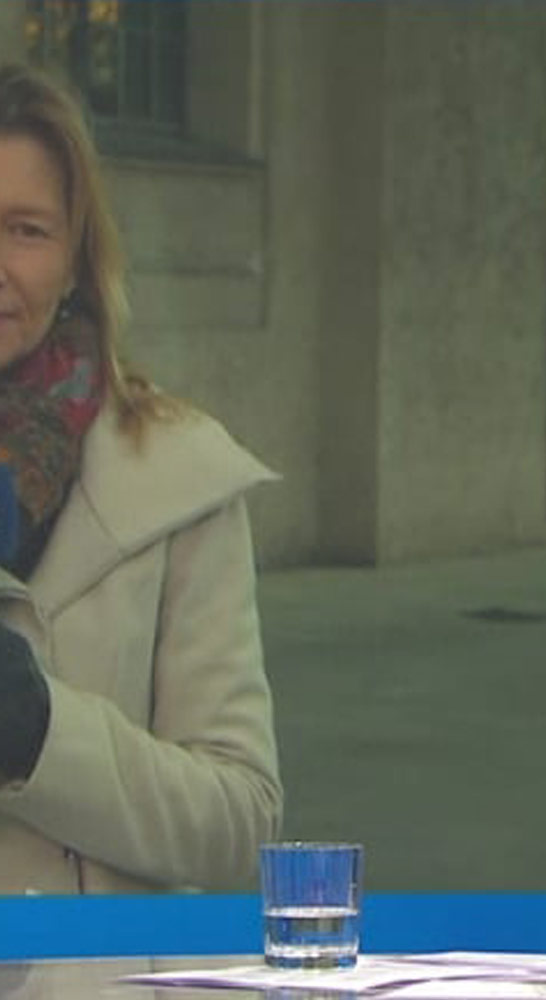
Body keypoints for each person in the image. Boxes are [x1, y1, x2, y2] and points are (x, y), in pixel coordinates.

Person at [0, 64, 281, 892]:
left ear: (77, 260)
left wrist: (40, 734)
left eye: (26, 230)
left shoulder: (177, 479)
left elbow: (240, 821)